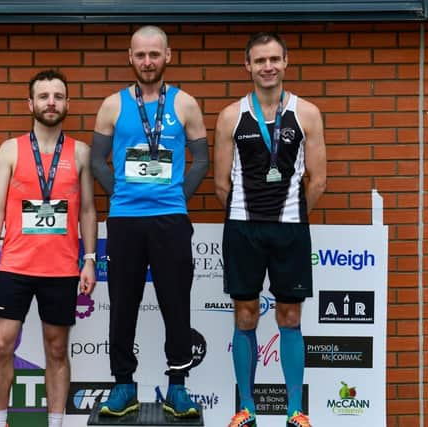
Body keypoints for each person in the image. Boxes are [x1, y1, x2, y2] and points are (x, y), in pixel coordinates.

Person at [91, 25, 210, 418]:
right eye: (140, 55)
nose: (147, 62)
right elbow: (97, 160)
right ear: (130, 57)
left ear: (167, 56)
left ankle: (177, 387)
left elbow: (202, 160)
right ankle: (123, 385)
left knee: (175, 304)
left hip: (171, 221)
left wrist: (176, 197)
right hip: (125, 221)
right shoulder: (112, 105)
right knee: (123, 304)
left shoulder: (186, 104)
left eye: (154, 54)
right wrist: (120, 194)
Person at [0, 69, 97, 427]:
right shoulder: (10, 149)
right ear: (31, 103)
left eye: (57, 96)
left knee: (56, 350)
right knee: (0, 346)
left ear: (67, 103)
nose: (51, 103)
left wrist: (88, 260)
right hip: (15, 267)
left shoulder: (81, 152)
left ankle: (54, 423)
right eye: (44, 97)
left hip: (60, 268)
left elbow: (88, 210)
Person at [213, 32, 326, 427]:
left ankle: (296, 411)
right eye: (259, 60)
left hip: (290, 231)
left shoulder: (307, 113)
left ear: (286, 62)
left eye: (274, 59)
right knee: (245, 315)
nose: (267, 67)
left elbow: (318, 180)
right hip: (243, 228)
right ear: (247, 65)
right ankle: (247, 409)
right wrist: (249, 214)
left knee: (290, 316)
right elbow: (221, 184)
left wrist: (291, 215)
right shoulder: (231, 116)